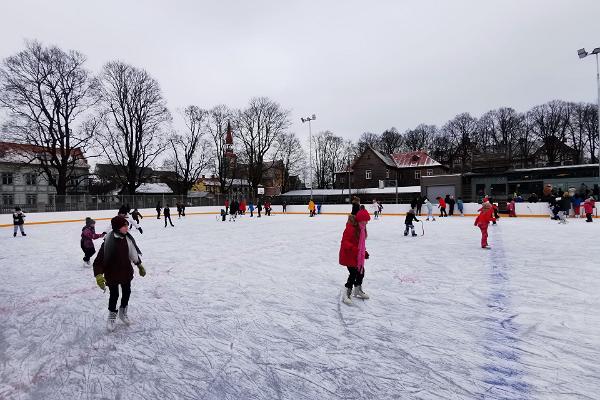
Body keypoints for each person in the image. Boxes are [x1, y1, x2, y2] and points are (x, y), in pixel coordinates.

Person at [93, 215, 146, 332]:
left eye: (127, 225)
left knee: (127, 292)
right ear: (117, 228)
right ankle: (112, 315)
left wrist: (139, 264)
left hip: (125, 271)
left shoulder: (127, 238)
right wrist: (98, 275)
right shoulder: (108, 242)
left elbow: (133, 253)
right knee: (114, 295)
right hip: (112, 273)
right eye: (124, 226)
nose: (127, 227)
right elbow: (98, 261)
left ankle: (123, 312)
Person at [339, 208, 371, 305]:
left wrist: (363, 252)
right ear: (360, 220)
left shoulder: (361, 229)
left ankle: (357, 290)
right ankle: (346, 293)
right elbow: (345, 242)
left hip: (356, 256)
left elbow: (361, 245)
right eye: (365, 220)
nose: (366, 223)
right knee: (353, 273)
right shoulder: (351, 228)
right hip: (349, 255)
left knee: (361, 272)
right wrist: (355, 250)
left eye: (367, 221)